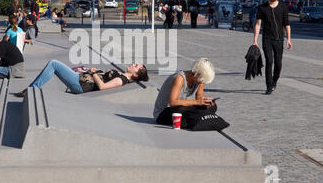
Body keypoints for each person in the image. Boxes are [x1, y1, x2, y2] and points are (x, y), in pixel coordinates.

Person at [14, 61, 149, 97]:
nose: (132, 64)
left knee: (54, 64)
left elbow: (102, 86)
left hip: (80, 84)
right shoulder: (122, 74)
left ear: (136, 74)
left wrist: (93, 73)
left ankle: (31, 89)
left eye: (135, 66)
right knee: (55, 65)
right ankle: (32, 88)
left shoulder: (121, 80)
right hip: (81, 79)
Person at [153, 58, 217, 128]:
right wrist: (197, 102)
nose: (202, 83)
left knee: (213, 107)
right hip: (164, 113)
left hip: (184, 109)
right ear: (194, 73)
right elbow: (173, 102)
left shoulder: (200, 81)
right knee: (180, 109)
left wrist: (206, 103)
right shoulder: (180, 78)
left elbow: (199, 99)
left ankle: (191, 120)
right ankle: (193, 119)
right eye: (201, 80)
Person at [253, 0, 292, 95]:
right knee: (269, 61)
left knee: (278, 64)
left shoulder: (283, 7)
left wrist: (288, 39)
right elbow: (258, 24)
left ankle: (274, 81)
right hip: (267, 39)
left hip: (279, 39)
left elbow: (287, 24)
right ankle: (269, 86)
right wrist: (255, 40)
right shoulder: (262, 7)